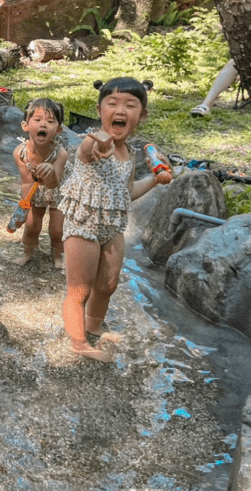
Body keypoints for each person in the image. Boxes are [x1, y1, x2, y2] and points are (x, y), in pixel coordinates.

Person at [58, 78, 170, 362]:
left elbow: (128, 191)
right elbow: (86, 151)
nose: (120, 110)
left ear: (141, 116)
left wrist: (156, 180)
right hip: (83, 224)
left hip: (112, 226)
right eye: (113, 103)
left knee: (108, 284)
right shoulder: (94, 140)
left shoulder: (130, 153)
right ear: (99, 110)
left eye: (130, 105)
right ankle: (78, 341)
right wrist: (94, 148)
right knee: (79, 289)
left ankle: (94, 325)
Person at [12, 98, 68, 269]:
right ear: (25, 126)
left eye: (50, 121)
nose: (43, 125)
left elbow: (54, 184)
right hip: (35, 191)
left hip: (58, 191)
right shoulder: (20, 153)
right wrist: (23, 207)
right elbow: (26, 182)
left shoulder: (60, 153)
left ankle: (58, 255)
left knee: (57, 230)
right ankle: (28, 253)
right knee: (31, 226)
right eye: (37, 120)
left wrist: (51, 172)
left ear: (58, 130)